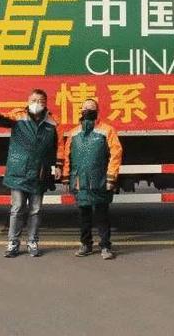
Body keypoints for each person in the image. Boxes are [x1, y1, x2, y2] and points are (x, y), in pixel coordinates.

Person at [0, 89, 60, 258]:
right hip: (19, 171)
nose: (37, 103)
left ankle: (32, 242)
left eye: (40, 100)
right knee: (17, 208)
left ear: (46, 103)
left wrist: (58, 165)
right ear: (28, 101)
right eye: (34, 100)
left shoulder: (52, 122)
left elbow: (55, 147)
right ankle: (13, 243)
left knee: (36, 210)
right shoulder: (19, 116)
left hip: (39, 173)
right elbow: (2, 119)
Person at [62, 99, 123, 260]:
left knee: (102, 215)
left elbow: (116, 154)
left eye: (92, 107)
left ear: (98, 111)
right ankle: (86, 244)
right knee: (84, 216)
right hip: (80, 182)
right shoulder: (74, 133)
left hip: (100, 181)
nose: (88, 110)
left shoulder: (107, 130)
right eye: (86, 107)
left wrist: (111, 177)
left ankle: (105, 246)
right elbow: (67, 157)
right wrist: (66, 178)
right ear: (81, 111)